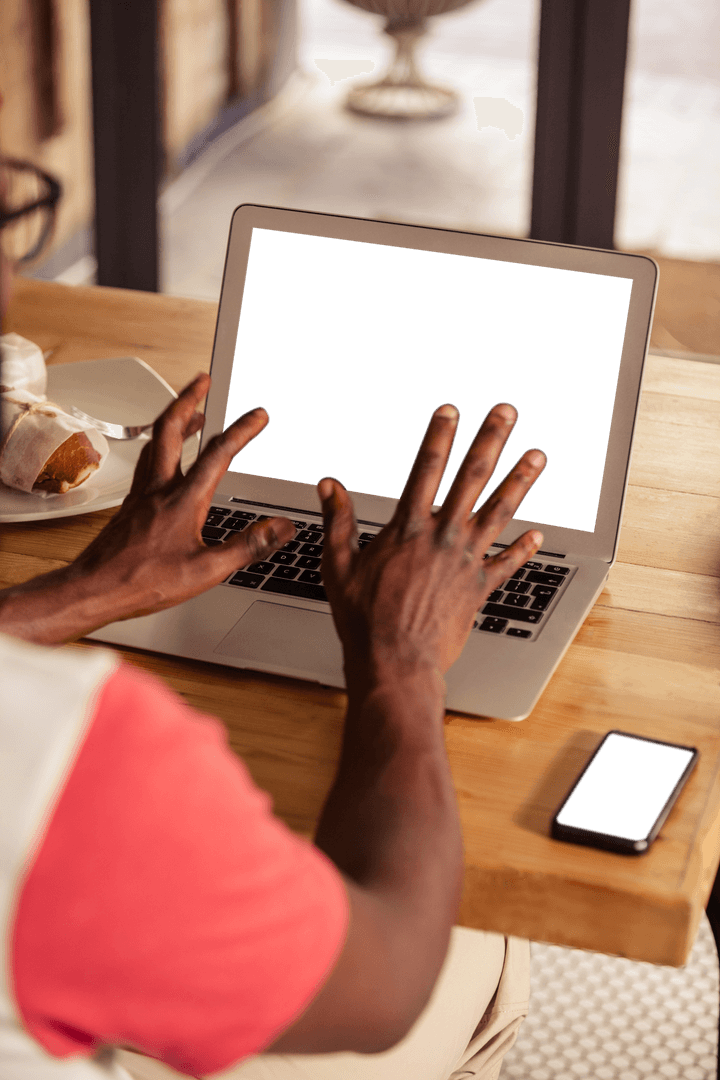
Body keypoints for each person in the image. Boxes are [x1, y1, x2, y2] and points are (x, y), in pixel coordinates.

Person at [0, 144, 547, 1080]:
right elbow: (381, 984)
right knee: (479, 941)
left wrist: (79, 593)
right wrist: (402, 663)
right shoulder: (71, 751)